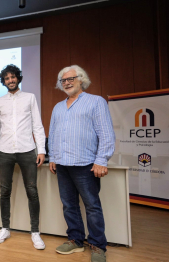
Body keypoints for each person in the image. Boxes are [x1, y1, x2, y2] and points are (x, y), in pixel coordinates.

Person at [48, 65, 115, 262]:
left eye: (71, 79)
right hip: (62, 164)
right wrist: (53, 157)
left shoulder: (96, 102)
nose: (67, 83)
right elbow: (52, 135)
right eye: (63, 80)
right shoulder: (58, 107)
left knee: (92, 206)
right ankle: (76, 240)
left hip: (86, 164)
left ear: (81, 79)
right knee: (69, 205)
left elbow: (106, 133)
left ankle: (97, 246)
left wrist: (102, 160)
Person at [0, 64, 46, 250]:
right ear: (4, 81)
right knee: (4, 191)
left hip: (27, 150)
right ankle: (5, 228)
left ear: (18, 78)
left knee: (32, 190)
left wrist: (41, 150)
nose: (10, 80)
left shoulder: (30, 98)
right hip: (5, 151)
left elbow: (37, 125)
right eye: (7, 78)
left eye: (13, 77)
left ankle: (35, 232)